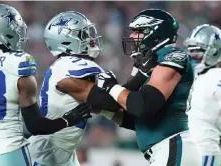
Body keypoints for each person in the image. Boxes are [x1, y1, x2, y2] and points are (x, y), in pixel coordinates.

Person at [0, 4, 92, 166]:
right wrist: (68, 119)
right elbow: (35, 126)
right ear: (5, 31)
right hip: (11, 154)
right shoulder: (18, 64)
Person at [97, 9, 201, 166]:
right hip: (167, 149)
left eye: (138, 31)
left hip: (172, 146)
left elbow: (142, 106)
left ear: (156, 34)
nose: (132, 36)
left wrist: (111, 87)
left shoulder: (172, 55)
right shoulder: (155, 63)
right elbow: (142, 120)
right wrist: (104, 110)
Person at [28, 11, 121, 166]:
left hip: (62, 154)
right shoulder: (68, 65)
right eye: (85, 35)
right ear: (66, 41)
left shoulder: (64, 65)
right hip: (45, 155)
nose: (91, 39)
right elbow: (111, 102)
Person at [185, 24, 221, 166]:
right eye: (191, 52)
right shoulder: (192, 79)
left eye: (197, 53)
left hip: (206, 154)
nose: (192, 57)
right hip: (187, 153)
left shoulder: (217, 77)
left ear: (213, 53)